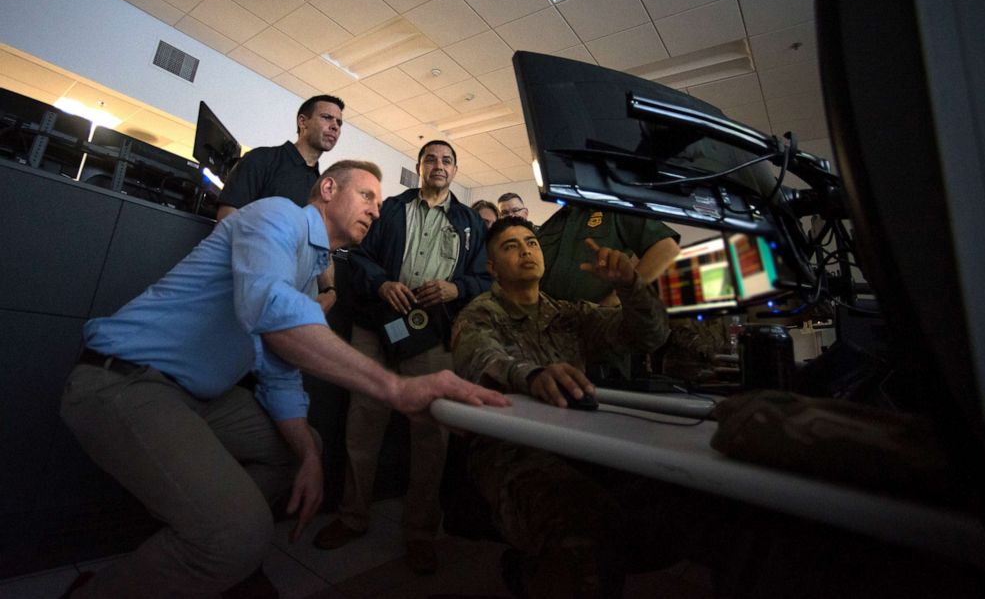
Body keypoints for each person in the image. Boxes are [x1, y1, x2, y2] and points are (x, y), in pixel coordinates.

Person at [59, 161, 508, 599]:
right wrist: (396, 387)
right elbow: (270, 308)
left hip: (197, 398)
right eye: (366, 195)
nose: (375, 209)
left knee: (301, 445)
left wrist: (308, 454)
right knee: (237, 535)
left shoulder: (310, 275)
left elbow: (280, 373)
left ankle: (213, 547)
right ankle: (198, 555)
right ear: (328, 189)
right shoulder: (278, 215)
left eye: (380, 200)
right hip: (124, 380)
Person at [451, 216, 727, 596]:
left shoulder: (570, 314)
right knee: (583, 538)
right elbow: (479, 358)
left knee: (674, 511)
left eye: (531, 242)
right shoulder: (480, 313)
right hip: (509, 450)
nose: (526, 250)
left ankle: (539, 566)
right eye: (510, 246)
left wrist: (631, 285)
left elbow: (648, 336)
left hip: (578, 444)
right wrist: (532, 375)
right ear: (492, 267)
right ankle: (534, 572)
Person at [312, 140, 490, 574]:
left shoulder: (470, 222)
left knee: (431, 436)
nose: (439, 165)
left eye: (447, 160)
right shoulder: (390, 208)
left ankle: (420, 533)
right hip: (376, 327)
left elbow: (483, 279)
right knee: (362, 424)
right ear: (419, 166)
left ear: (455, 170)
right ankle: (353, 517)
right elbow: (357, 254)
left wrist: (455, 288)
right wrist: (381, 283)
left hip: (431, 338)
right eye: (431, 159)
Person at [216, 94, 346, 311]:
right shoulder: (261, 159)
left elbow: (322, 248)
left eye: (339, 123)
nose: (335, 126)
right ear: (302, 122)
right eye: (327, 118)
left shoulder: (322, 188)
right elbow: (226, 221)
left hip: (291, 301)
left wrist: (329, 291)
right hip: (244, 291)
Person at [538, 206, 681, 379]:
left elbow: (667, 249)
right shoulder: (550, 224)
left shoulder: (613, 209)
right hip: (547, 342)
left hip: (599, 341)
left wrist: (617, 296)